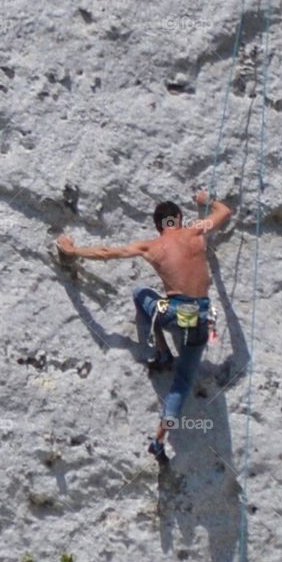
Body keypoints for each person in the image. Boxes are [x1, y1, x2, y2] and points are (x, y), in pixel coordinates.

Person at [55, 190, 232, 463]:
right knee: (182, 382)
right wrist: (205, 199)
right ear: (179, 219)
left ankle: (161, 350)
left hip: (176, 313)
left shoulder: (152, 247)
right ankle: (159, 438)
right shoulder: (196, 232)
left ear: (159, 226)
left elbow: (107, 253)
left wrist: (74, 250)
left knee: (141, 294)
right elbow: (224, 212)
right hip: (202, 316)